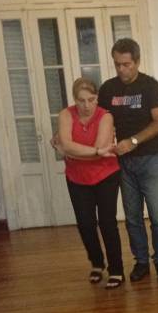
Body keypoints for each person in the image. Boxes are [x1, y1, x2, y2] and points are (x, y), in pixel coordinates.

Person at [98, 38, 158, 284]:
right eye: (117, 64)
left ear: (137, 62)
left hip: (153, 158)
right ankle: (141, 261)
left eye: (126, 64)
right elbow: (98, 120)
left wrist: (133, 141)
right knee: (132, 217)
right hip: (123, 162)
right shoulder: (108, 89)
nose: (121, 69)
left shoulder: (150, 86)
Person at [56, 78, 124, 289]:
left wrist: (70, 151)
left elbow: (95, 148)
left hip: (106, 175)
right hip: (76, 177)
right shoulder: (66, 115)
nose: (86, 105)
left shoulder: (105, 116)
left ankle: (116, 269)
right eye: (81, 100)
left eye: (91, 99)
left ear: (97, 98)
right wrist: (94, 152)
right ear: (74, 99)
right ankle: (97, 263)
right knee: (85, 224)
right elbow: (81, 148)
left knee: (107, 222)